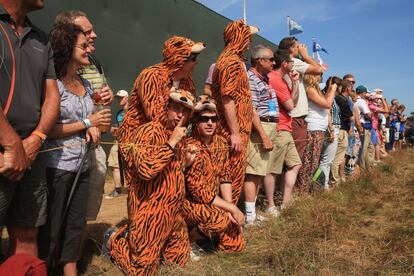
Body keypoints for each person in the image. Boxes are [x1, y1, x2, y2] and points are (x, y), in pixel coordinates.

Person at [39, 23, 111, 275]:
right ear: (67, 47)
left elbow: (92, 121)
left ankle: (70, 270)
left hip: (83, 166)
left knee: (75, 226)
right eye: (83, 46)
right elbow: (48, 129)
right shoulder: (53, 84)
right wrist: (88, 123)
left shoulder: (87, 85)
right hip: (56, 167)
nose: (88, 49)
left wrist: (94, 128)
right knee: (51, 226)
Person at [107, 89, 194, 274]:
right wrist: (171, 142)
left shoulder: (179, 134)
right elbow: (146, 170)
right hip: (150, 212)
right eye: (176, 108)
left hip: (174, 212)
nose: (180, 115)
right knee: (144, 271)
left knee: (178, 265)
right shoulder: (149, 131)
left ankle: (150, 246)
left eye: (185, 111)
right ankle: (117, 242)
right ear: (166, 108)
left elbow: (170, 172)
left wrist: (186, 161)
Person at [0, 0, 60, 258]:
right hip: (7, 152)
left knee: (27, 234)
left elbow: (52, 96)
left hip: (30, 152)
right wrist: (12, 144)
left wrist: (36, 138)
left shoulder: (41, 38)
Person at [118, 35, 205, 187]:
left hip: (174, 140)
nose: (196, 62)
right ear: (180, 59)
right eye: (192, 58)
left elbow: (187, 113)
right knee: (147, 189)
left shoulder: (187, 81)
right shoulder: (151, 76)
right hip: (145, 143)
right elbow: (156, 116)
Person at [53, 10, 114, 221]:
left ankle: (77, 242)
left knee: (87, 200)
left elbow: (94, 96)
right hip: (63, 148)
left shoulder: (92, 60)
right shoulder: (57, 65)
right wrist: (88, 122)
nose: (94, 34)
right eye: (88, 31)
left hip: (93, 141)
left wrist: (106, 95)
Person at [183, 95, 245, 254]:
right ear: (196, 121)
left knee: (236, 244)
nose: (210, 123)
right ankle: (188, 241)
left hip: (214, 202)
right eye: (204, 119)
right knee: (219, 219)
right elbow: (198, 192)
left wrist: (230, 208)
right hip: (189, 203)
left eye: (214, 119)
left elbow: (225, 177)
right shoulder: (190, 146)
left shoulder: (221, 143)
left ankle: (209, 238)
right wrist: (229, 208)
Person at [210, 19, 259, 206]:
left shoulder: (233, 60)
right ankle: (223, 226)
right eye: (247, 38)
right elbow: (227, 98)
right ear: (239, 38)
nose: (249, 43)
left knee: (231, 177)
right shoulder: (231, 62)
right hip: (231, 133)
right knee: (231, 177)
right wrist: (235, 133)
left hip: (236, 131)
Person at [243, 45, 280, 223]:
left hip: (268, 125)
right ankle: (249, 215)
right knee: (254, 172)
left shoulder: (263, 79)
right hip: (260, 128)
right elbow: (252, 110)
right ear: (260, 60)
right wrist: (264, 136)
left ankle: (252, 212)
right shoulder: (251, 79)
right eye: (271, 59)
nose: (274, 62)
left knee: (260, 172)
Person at [277, 36, 324, 159]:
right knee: (295, 157)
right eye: (298, 46)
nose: (300, 48)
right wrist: (306, 56)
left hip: (293, 115)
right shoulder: (294, 61)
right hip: (296, 116)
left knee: (291, 156)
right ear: (291, 48)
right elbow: (319, 69)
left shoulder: (289, 62)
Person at [268, 49, 301, 208]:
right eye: (292, 62)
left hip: (285, 128)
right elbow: (290, 105)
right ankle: (271, 205)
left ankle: (286, 203)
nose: (293, 65)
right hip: (279, 128)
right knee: (273, 169)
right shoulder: (274, 79)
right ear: (284, 63)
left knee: (295, 164)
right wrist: (293, 86)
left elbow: (292, 102)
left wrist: (295, 83)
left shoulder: (283, 80)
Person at [296, 74, 336, 192]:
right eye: (319, 74)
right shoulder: (309, 89)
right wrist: (333, 91)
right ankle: (303, 190)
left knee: (314, 161)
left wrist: (329, 90)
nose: (321, 77)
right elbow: (327, 104)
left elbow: (326, 106)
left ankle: (308, 188)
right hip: (313, 128)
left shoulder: (316, 89)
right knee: (309, 161)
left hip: (319, 128)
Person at [318, 76, 343, 190]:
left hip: (333, 128)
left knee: (327, 159)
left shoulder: (330, 96)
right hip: (331, 128)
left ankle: (322, 183)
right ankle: (323, 184)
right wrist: (331, 129)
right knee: (326, 160)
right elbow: (327, 113)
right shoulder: (329, 96)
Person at [106, 89, 129, 199]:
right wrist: (114, 130)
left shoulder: (134, 111)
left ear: (127, 98)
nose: (119, 100)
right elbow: (118, 128)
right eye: (118, 98)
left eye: (121, 97)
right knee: (115, 164)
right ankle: (117, 190)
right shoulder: (119, 114)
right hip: (119, 142)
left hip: (132, 144)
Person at [331, 80, 353, 185]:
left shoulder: (342, 99)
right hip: (341, 130)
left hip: (342, 130)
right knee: (337, 157)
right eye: (351, 86)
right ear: (348, 88)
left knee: (339, 156)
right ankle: (335, 180)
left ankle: (336, 178)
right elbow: (351, 116)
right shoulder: (341, 99)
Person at [354, 85, 374, 170]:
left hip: (356, 125)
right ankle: (363, 168)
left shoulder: (355, 100)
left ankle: (368, 166)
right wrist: (372, 115)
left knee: (369, 147)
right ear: (363, 93)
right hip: (362, 126)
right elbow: (368, 114)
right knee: (364, 148)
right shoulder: (361, 101)